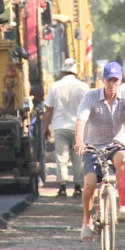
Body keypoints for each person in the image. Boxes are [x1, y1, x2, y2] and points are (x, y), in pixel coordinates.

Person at [75, 62, 125, 240]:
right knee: (90, 183)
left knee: (122, 159)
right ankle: (86, 220)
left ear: (120, 80)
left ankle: (123, 205)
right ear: (102, 80)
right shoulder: (90, 97)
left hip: (118, 143)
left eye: (115, 80)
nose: (112, 84)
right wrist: (79, 142)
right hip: (94, 146)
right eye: (108, 80)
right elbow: (81, 120)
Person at [42, 58, 88, 198]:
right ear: (75, 72)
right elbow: (89, 108)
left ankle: (62, 187)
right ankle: (78, 187)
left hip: (60, 127)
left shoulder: (55, 86)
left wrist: (46, 127)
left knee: (61, 158)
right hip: (79, 127)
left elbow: (49, 109)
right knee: (78, 158)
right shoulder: (83, 87)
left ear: (63, 72)